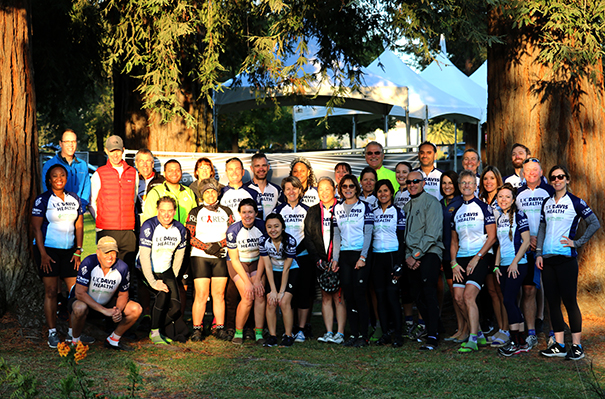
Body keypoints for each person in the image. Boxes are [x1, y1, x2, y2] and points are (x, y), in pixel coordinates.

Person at [537, 165, 600, 360]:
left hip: (566, 259)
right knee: (552, 302)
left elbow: (594, 223)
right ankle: (559, 345)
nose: (557, 180)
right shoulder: (546, 203)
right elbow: (541, 228)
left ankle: (577, 346)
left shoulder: (575, 201)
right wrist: (538, 253)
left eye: (560, 177)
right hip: (547, 260)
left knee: (570, 302)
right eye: (553, 178)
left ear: (567, 179)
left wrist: (578, 242)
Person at [32, 164, 86, 348]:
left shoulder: (75, 198)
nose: (59, 178)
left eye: (62, 175)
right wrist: (43, 254)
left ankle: (73, 333)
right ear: (49, 180)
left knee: (76, 293)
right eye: (55, 176)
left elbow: (79, 226)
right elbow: (37, 228)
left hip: (70, 252)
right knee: (51, 292)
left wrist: (78, 250)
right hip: (49, 251)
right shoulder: (43, 200)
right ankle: (53, 332)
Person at [68, 236, 142, 351]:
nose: (110, 256)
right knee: (79, 307)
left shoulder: (122, 267)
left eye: (113, 252)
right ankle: (75, 341)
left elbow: (123, 294)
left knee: (135, 309)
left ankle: (113, 339)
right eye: (106, 252)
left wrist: (117, 310)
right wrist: (104, 310)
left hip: (107, 302)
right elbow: (80, 293)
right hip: (84, 302)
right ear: (98, 252)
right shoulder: (89, 262)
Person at [450, 170, 496, 353]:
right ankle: (479, 334)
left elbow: (492, 237)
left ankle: (473, 338)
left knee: (469, 296)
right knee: (458, 298)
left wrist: (477, 258)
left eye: (470, 183)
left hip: (481, 255)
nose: (466, 186)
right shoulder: (456, 210)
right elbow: (453, 241)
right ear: (459, 186)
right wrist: (453, 262)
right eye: (463, 183)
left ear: (476, 186)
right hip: (461, 257)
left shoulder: (484, 207)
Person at [186, 178, 234, 341]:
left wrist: (219, 245)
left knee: (218, 294)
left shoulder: (226, 211)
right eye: (207, 192)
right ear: (201, 195)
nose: (210, 194)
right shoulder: (195, 211)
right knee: (201, 294)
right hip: (200, 256)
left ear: (218, 193)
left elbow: (232, 233)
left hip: (220, 255)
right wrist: (206, 247)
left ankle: (219, 327)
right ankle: (197, 328)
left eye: (213, 191)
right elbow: (189, 236)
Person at [515, 157, 554, 350]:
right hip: (527, 247)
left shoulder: (550, 191)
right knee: (529, 290)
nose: (531, 173)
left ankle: (554, 333)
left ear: (541, 172)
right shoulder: (518, 193)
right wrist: (529, 238)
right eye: (528, 170)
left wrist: (542, 238)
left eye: (535, 170)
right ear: (523, 173)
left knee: (551, 289)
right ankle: (531, 332)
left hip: (547, 246)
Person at [403, 171, 444, 350]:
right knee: (416, 296)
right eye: (409, 182)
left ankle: (433, 337)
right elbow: (403, 236)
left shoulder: (432, 202)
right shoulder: (407, 206)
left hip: (430, 253)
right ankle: (434, 327)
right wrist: (408, 257)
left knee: (429, 293)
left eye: (416, 181)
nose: (412, 184)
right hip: (411, 257)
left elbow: (432, 233)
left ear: (423, 183)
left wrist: (416, 255)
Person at [138, 197, 188, 344]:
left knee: (176, 307)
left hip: (166, 270)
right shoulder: (149, 226)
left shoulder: (180, 229)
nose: (166, 215)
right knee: (161, 295)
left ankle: (157, 327)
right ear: (157, 211)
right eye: (162, 211)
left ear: (174, 211)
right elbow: (144, 257)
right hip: (145, 268)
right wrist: (153, 282)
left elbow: (179, 257)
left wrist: (172, 278)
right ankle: (154, 333)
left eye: (170, 211)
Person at [332, 174, 374, 347]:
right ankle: (354, 333)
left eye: (351, 186)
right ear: (341, 190)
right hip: (344, 256)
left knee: (360, 294)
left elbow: (369, 233)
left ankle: (364, 335)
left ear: (357, 188)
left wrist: (363, 257)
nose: (348, 189)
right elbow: (336, 235)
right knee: (348, 295)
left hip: (360, 255)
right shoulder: (337, 208)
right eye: (344, 187)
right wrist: (335, 259)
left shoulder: (365, 207)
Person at [304, 176, 347, 345]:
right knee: (326, 297)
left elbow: (348, 234)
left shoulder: (343, 208)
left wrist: (338, 259)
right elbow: (308, 237)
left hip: (339, 260)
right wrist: (318, 260)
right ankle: (329, 331)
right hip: (321, 261)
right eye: (320, 189)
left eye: (327, 189)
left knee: (339, 297)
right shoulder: (313, 211)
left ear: (334, 189)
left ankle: (341, 333)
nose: (323, 192)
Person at [493, 183, 532, 356]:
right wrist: (496, 265)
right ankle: (519, 341)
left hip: (517, 265)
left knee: (508, 301)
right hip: (503, 266)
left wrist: (514, 262)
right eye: (500, 196)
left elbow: (526, 242)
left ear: (513, 199)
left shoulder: (519, 215)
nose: (503, 199)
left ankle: (518, 341)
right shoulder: (500, 217)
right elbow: (501, 244)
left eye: (507, 196)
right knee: (510, 301)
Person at [274, 176, 313, 342]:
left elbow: (310, 233)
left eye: (295, 188)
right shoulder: (278, 210)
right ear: (284, 191)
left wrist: (296, 250)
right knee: (289, 294)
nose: (291, 192)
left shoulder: (308, 209)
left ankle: (302, 329)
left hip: (303, 256)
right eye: (288, 188)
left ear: (300, 190)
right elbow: (275, 231)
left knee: (304, 293)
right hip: (284, 259)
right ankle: (289, 327)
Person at [90, 135, 138, 269]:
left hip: (128, 231)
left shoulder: (133, 173)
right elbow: (91, 201)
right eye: (111, 151)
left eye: (117, 150)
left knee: (127, 270)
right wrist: (101, 220)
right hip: (107, 229)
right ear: (106, 151)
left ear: (123, 150)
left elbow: (133, 199)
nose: (115, 155)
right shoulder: (99, 173)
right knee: (107, 270)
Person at [226, 199, 267, 344]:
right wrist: (248, 282)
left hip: (256, 262)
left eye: (250, 212)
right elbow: (234, 260)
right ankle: (238, 332)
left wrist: (256, 280)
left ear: (256, 213)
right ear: (239, 213)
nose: (247, 215)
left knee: (260, 295)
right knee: (247, 296)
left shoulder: (262, 226)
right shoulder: (233, 230)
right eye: (244, 212)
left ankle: (259, 333)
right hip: (238, 263)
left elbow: (263, 255)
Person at [372, 179, 406, 347]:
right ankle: (385, 334)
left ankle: (398, 335)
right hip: (378, 258)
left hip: (393, 257)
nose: (383, 194)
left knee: (393, 297)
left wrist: (399, 263)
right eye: (379, 191)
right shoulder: (373, 212)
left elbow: (402, 239)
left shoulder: (399, 212)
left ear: (391, 193)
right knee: (380, 297)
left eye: (386, 191)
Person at [478, 165, 509, 347]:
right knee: (492, 291)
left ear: (498, 180)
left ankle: (507, 329)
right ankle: (500, 327)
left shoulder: (503, 199)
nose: (488, 182)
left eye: (492, 178)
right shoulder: (480, 200)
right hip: (485, 249)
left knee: (502, 291)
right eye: (485, 179)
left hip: (500, 249)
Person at [260, 213, 298, 347]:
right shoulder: (263, 240)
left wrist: (281, 291)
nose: (273, 230)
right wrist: (273, 291)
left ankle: (288, 335)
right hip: (274, 271)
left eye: (276, 226)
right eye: (269, 227)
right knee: (271, 301)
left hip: (290, 271)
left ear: (283, 227)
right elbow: (268, 267)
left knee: (283, 301)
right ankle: (272, 336)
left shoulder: (290, 241)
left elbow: (287, 268)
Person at [439, 171, 466, 343]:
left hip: (459, 253)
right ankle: (460, 327)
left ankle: (469, 328)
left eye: (450, 183)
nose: (447, 186)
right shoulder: (440, 203)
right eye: (444, 183)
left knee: (461, 295)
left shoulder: (461, 202)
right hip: (445, 254)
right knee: (454, 293)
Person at [42, 129, 91, 209]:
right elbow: (46, 188)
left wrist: (81, 206)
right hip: (57, 211)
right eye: (67, 142)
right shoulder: (50, 165)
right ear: (60, 144)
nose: (71, 145)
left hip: (78, 211)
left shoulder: (82, 165)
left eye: (73, 142)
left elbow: (86, 188)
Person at [142, 159, 196, 225]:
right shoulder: (155, 192)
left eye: (177, 170)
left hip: (185, 233)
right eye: (170, 170)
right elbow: (147, 220)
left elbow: (194, 217)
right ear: (164, 173)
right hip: (163, 234)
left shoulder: (189, 191)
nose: (174, 173)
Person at [244, 152, 282, 218]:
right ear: (252, 168)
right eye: (257, 166)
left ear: (268, 167)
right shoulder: (245, 189)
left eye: (264, 165)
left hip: (271, 227)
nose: (261, 169)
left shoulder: (277, 189)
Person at [134, 148, 165, 216]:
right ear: (136, 164)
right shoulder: (131, 180)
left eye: (148, 161)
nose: (145, 165)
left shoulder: (162, 181)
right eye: (141, 161)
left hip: (155, 221)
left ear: (153, 164)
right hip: (135, 221)